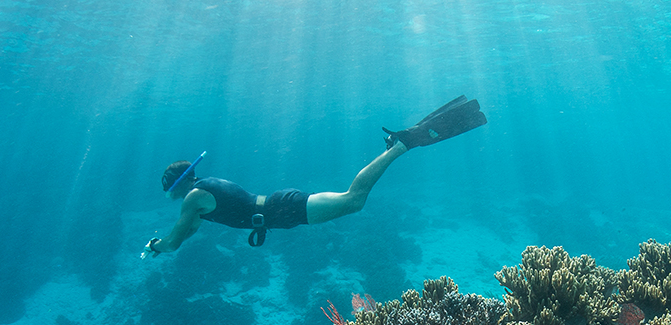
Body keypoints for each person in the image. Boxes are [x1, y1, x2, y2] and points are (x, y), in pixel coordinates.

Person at [143, 96, 486, 256]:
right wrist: (173, 241)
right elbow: (189, 231)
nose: (170, 198)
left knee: (354, 201)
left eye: (168, 191)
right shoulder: (201, 192)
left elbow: (175, 240)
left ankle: (399, 146)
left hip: (282, 210)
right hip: (279, 208)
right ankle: (399, 146)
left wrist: (158, 246)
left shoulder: (192, 198)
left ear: (177, 185)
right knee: (354, 202)